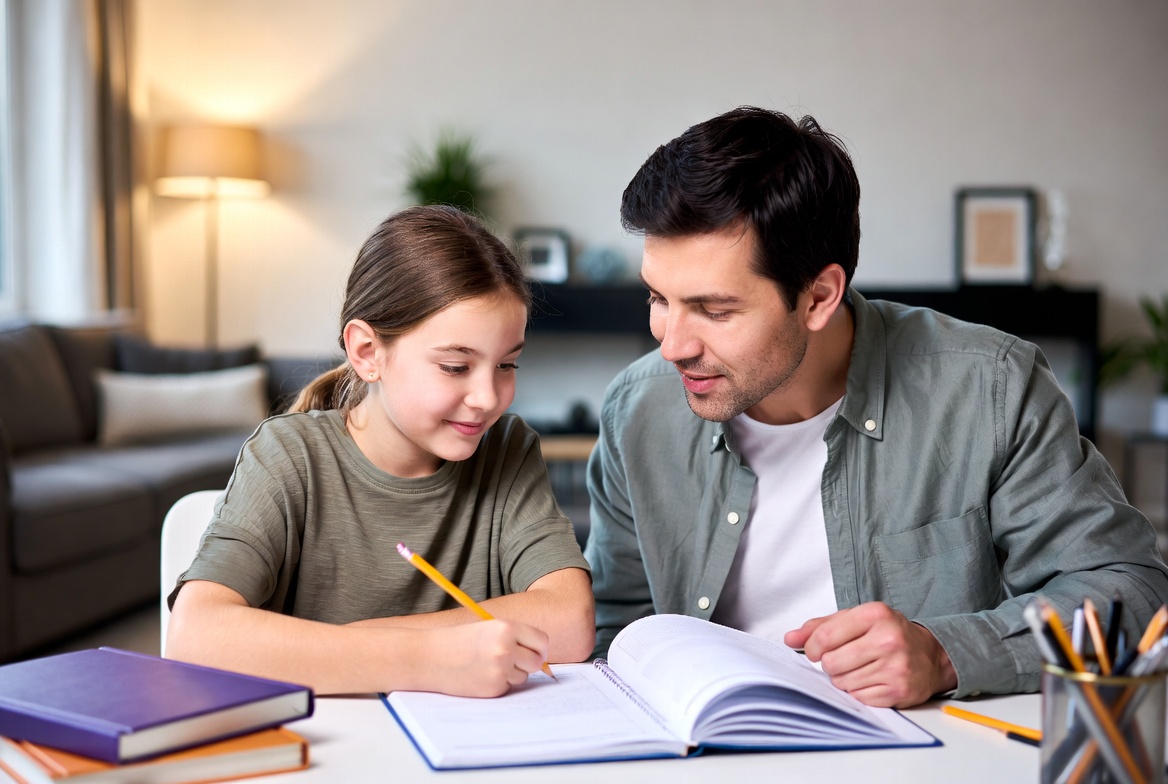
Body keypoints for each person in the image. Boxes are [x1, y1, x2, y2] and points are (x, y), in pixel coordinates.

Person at [584, 106, 1168, 708]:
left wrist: (945, 653)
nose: (672, 345)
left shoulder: (989, 388)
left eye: (714, 310)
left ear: (819, 297)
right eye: (658, 298)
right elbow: (617, 630)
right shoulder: (638, 410)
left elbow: (1131, 593)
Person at [167, 205, 594, 698]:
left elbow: (570, 619)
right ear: (367, 353)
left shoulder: (506, 449)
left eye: (507, 365)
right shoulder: (287, 456)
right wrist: (429, 658)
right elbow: (194, 636)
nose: (488, 398)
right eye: (455, 367)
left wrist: (327, 648)